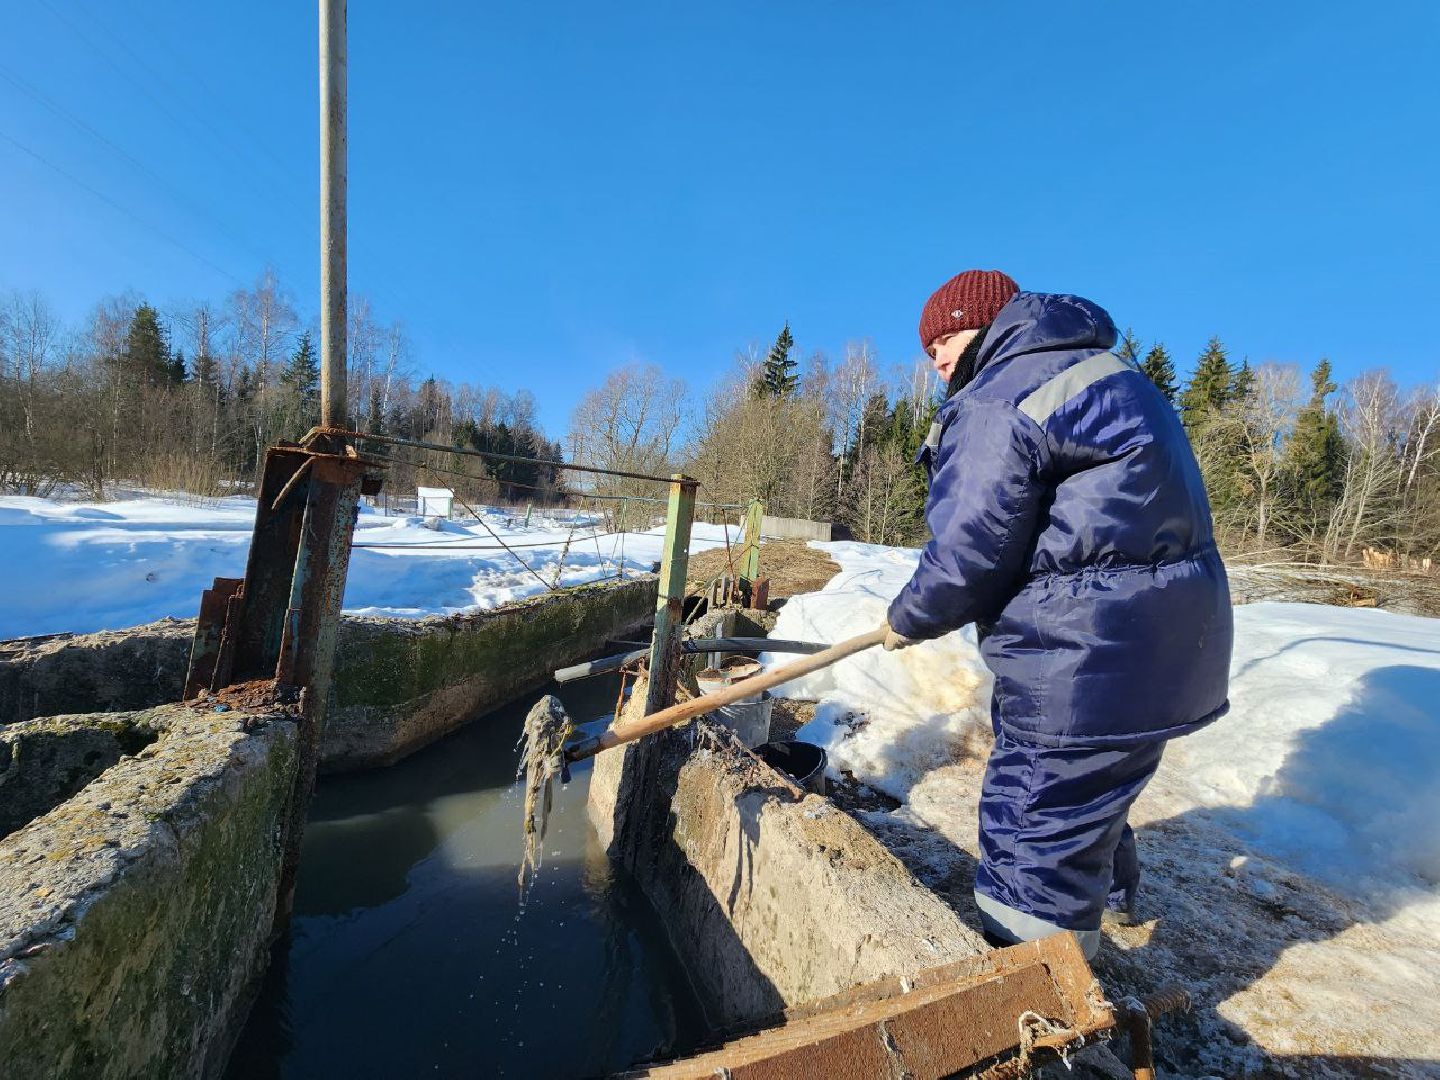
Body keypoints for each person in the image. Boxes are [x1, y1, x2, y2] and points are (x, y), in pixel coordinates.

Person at [882, 269, 1232, 958]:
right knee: (1093, 791)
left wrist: (907, 616)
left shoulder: (1001, 393)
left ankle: (1036, 996)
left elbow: (969, 547)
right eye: (928, 350)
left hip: (1083, 651)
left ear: (987, 323)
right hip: (1168, 646)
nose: (937, 360)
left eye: (945, 337)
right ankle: (1107, 906)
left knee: (1031, 825)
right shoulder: (1109, 373)